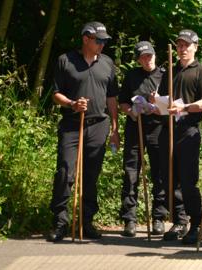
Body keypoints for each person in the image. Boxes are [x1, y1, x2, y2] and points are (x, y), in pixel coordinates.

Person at [48, 21, 120, 242]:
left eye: (104, 41)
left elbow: (112, 98)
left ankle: (86, 221)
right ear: (86, 38)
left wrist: (115, 129)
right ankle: (60, 222)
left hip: (99, 125)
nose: (102, 44)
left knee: (91, 175)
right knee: (65, 171)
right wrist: (72, 104)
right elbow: (55, 94)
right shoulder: (65, 60)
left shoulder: (108, 63)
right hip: (72, 123)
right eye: (98, 40)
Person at [157, 29, 202, 244]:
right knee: (170, 180)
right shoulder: (169, 72)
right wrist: (156, 105)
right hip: (167, 131)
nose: (182, 49)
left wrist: (185, 108)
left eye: (186, 45)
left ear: (195, 47)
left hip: (188, 132)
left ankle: (197, 224)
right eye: (179, 45)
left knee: (189, 181)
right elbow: (163, 100)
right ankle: (179, 220)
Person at [118, 41, 167, 237]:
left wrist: (158, 103)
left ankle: (159, 218)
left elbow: (171, 103)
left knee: (159, 173)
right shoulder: (131, 76)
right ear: (138, 59)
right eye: (143, 57)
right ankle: (129, 219)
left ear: (155, 55)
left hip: (157, 127)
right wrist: (131, 112)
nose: (147, 60)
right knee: (131, 172)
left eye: (150, 56)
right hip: (135, 127)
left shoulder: (165, 75)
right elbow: (122, 101)